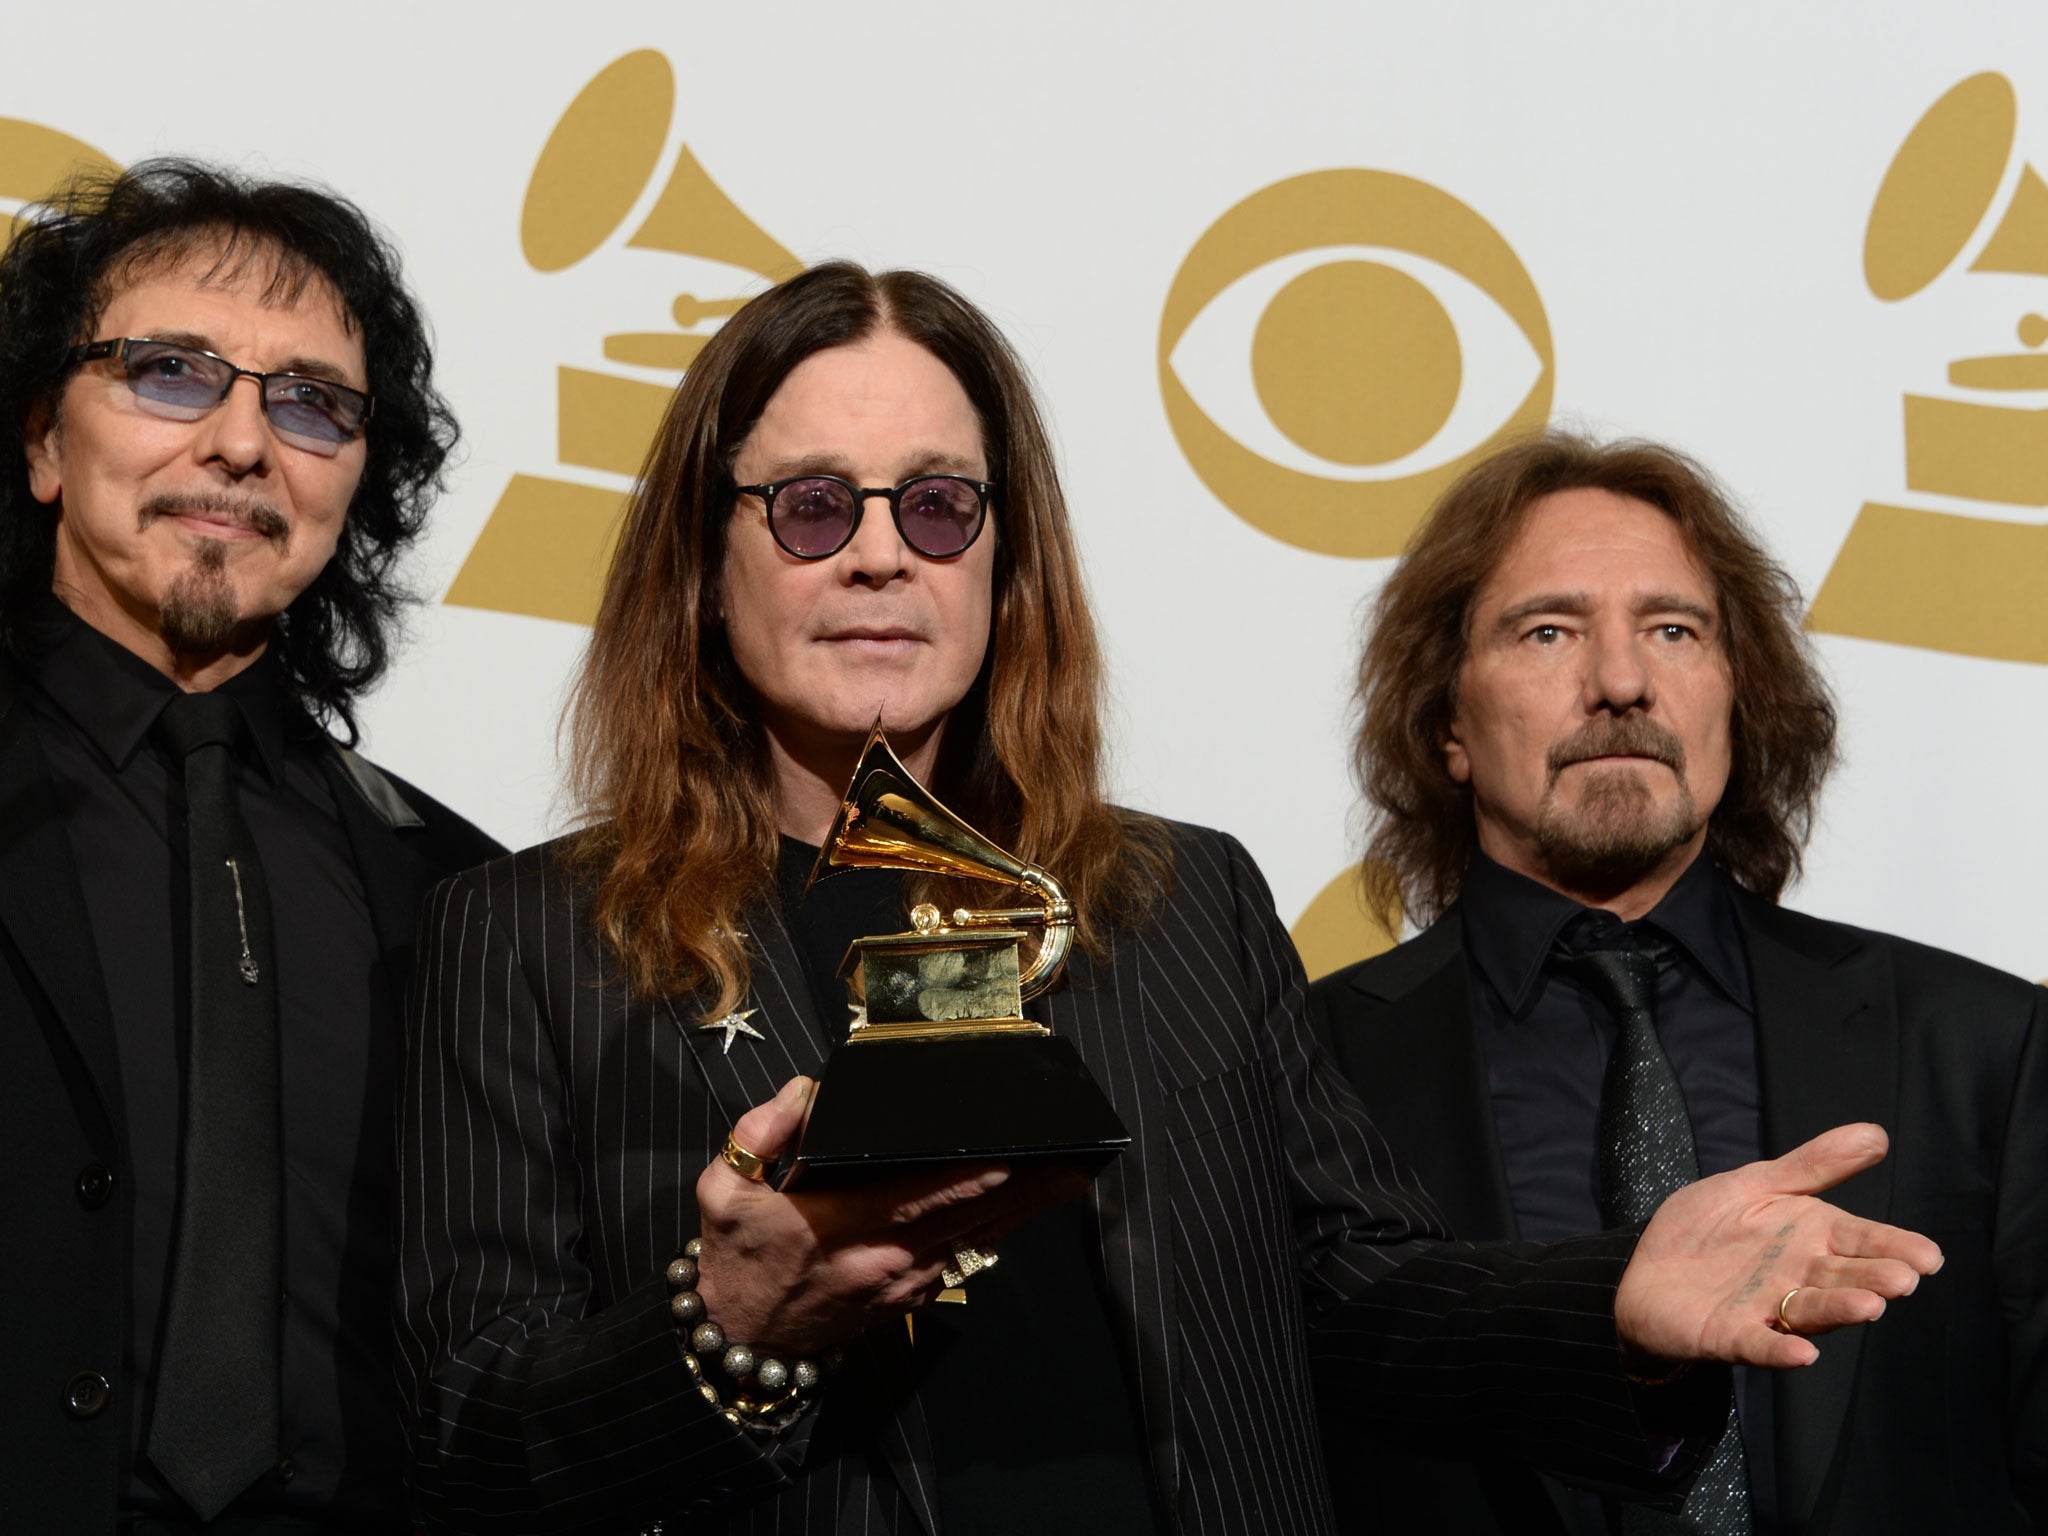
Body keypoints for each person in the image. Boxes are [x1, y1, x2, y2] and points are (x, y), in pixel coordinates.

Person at [396, 266, 1939, 1536]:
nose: (879, 556)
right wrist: (720, 1329)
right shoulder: (530, 939)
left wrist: (1607, 1296)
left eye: (939, 507)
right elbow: (469, 1436)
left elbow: (1348, 1294)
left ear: (1005, 563)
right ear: (702, 561)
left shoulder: (1180, 899)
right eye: (810, 507)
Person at [1310, 431, 2045, 1535]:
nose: (1618, 682)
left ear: (1733, 699)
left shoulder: (1981, 1043)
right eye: (1546, 630)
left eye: (1671, 629)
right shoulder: (1311, 1063)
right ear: (1446, 723)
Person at [0, 161, 502, 1534]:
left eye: (311, 405)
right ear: (44, 440)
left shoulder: (461, 890)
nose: (239, 442)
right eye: (170, 372)